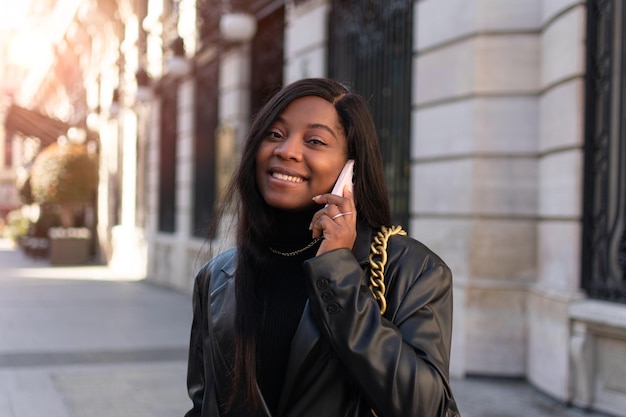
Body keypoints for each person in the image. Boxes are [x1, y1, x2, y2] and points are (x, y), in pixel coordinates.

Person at [185, 78, 461, 417]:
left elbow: (427, 407)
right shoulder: (217, 277)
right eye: (274, 134)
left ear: (352, 169)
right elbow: (202, 406)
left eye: (315, 140)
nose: (286, 150)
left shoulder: (410, 269)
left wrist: (339, 275)